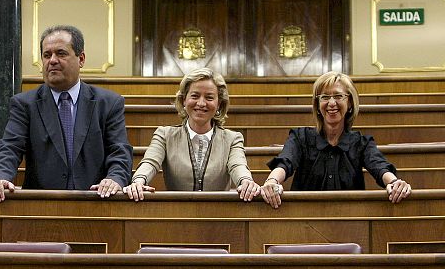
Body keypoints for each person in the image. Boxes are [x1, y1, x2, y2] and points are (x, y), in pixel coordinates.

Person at [0, 25, 133, 202]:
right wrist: (0, 176)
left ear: (81, 58)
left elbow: (119, 151)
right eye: (47, 55)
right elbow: (10, 147)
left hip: (96, 203)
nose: (52, 60)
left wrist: (114, 179)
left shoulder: (108, 103)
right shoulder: (25, 104)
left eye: (61, 53)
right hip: (41, 207)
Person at [261, 71, 412, 208]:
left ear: (350, 103)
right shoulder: (300, 138)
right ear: (318, 105)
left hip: (351, 222)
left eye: (338, 96)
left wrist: (394, 183)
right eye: (325, 97)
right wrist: (272, 181)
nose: (331, 103)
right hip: (304, 221)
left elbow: (379, 167)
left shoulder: (361, 143)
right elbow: (285, 162)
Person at [123, 68, 260, 202]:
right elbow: (150, 163)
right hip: (176, 215)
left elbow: (238, 166)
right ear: (183, 100)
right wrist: (138, 181)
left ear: (219, 104)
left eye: (209, 97)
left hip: (220, 217)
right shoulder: (165, 135)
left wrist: (246, 181)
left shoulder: (232, 139)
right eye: (195, 96)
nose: (201, 103)